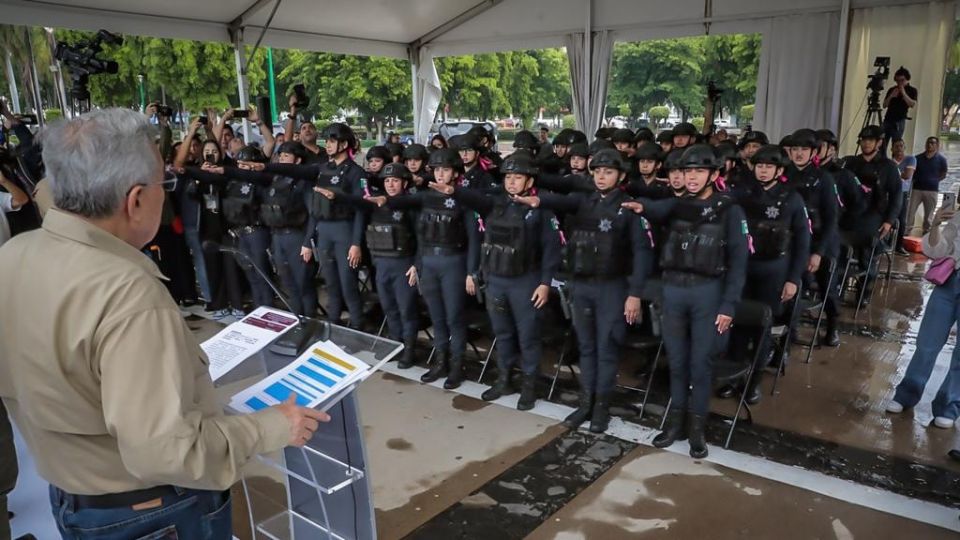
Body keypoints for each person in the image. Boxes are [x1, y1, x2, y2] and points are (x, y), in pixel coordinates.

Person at [0, 108, 328, 539]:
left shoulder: (15, 255)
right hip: (150, 510)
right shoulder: (126, 291)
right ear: (135, 200)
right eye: (164, 184)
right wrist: (272, 427)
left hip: (74, 498)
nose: (166, 193)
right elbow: (165, 450)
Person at [513, 148, 652, 433]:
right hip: (582, 285)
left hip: (612, 288)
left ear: (621, 176)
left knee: (607, 347)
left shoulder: (630, 208)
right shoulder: (584, 201)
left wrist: (635, 294)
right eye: (597, 171)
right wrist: (537, 200)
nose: (601, 177)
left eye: (608, 172)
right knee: (586, 347)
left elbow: (642, 255)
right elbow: (559, 200)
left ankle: (601, 408)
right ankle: (585, 403)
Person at [430, 152, 562, 410]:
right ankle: (504, 380)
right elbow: (473, 197)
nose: (511, 182)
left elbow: (551, 250)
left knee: (527, 337)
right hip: (496, 280)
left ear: (529, 180)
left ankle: (529, 387)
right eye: (508, 177)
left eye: (517, 177)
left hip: (525, 281)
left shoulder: (540, 209)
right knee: (502, 334)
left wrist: (545, 283)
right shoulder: (495, 203)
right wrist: (452, 190)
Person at [366, 149, 481, 390]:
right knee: (437, 317)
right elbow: (420, 235)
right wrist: (417, 265)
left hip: (453, 262)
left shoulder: (465, 199)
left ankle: (456, 366)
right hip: (429, 262)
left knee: (454, 318)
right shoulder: (426, 197)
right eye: (437, 170)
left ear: (455, 173)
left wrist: (472, 272)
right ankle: (440, 363)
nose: (440, 174)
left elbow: (473, 239)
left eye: (446, 170)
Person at [243, 123, 367, 328]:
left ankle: (358, 328)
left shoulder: (356, 173)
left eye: (332, 141)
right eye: (326, 141)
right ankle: (333, 326)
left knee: (348, 285)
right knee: (331, 284)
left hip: (345, 230)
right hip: (325, 231)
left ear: (344, 144)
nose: (327, 145)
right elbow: (296, 170)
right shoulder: (323, 169)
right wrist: (265, 166)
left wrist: (356, 243)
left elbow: (362, 208)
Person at [719, 145, 810, 404]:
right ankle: (733, 376)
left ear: (779, 170)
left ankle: (753, 381)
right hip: (743, 268)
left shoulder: (792, 198)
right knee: (736, 323)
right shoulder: (742, 193)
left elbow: (803, 241)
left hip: (774, 271)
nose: (763, 170)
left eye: (769, 166)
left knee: (762, 326)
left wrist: (793, 279)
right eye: (759, 165)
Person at [204, 141, 318, 317]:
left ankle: (309, 321)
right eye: (280, 156)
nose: (281, 159)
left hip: (292, 235)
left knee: (301, 283)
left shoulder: (302, 182)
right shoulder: (274, 179)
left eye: (286, 156)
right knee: (285, 283)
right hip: (274, 235)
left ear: (298, 160)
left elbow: (313, 214)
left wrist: (307, 242)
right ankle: (286, 319)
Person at [323, 162, 420, 368]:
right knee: (389, 308)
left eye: (395, 180)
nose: (391, 184)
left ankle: (410, 349)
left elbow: (421, 239)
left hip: (403, 264)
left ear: (404, 182)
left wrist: (416, 264)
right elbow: (356, 201)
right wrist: (335, 196)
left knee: (406, 309)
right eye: (387, 181)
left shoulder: (410, 205)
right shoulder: (375, 204)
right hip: (381, 263)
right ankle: (396, 345)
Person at [886, 204, 960, 428]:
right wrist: (936, 224)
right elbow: (937, 250)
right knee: (927, 343)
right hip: (949, 282)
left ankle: (949, 406)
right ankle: (906, 394)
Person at [842, 125, 902, 304]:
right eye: (863, 140)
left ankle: (863, 295)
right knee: (839, 251)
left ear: (879, 143)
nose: (866, 143)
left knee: (868, 255)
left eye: (870, 140)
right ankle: (838, 289)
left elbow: (897, 196)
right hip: (850, 215)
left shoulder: (888, 167)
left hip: (874, 216)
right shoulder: (850, 163)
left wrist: (889, 221)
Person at [907, 136, 948, 237]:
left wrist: (935, 180)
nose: (930, 145)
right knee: (910, 211)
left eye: (933, 143)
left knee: (929, 215)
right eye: (928, 142)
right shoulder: (917, 158)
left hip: (932, 190)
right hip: (917, 189)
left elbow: (944, 173)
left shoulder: (942, 159)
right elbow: (912, 173)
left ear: (937, 145)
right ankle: (906, 231)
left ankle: (926, 233)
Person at [882, 67, 918, 155]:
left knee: (896, 145)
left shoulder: (912, 90)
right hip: (888, 119)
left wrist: (903, 93)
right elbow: (884, 105)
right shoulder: (892, 89)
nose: (899, 83)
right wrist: (891, 96)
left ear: (907, 79)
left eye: (902, 80)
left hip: (899, 121)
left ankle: (894, 163)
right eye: (897, 80)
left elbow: (912, 104)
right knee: (882, 143)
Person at [284, 95, 327, 164]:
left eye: (311, 127)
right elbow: (287, 141)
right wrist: (293, 110)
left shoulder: (326, 152)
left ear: (317, 133)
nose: (307, 130)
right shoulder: (298, 151)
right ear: (300, 136)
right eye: (303, 128)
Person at [891, 138, 917, 254]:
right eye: (896, 146)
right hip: (890, 192)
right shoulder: (889, 162)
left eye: (901, 146)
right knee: (889, 217)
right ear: (892, 149)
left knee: (902, 219)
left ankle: (899, 245)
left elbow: (907, 175)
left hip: (902, 192)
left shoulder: (911, 159)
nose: (899, 148)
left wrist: (895, 174)